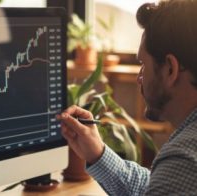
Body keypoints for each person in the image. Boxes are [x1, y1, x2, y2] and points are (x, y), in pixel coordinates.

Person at [57, 0, 197, 195]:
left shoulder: (184, 161)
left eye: (143, 63)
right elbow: (154, 187)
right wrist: (97, 154)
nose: (140, 77)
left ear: (170, 69)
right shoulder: (180, 172)